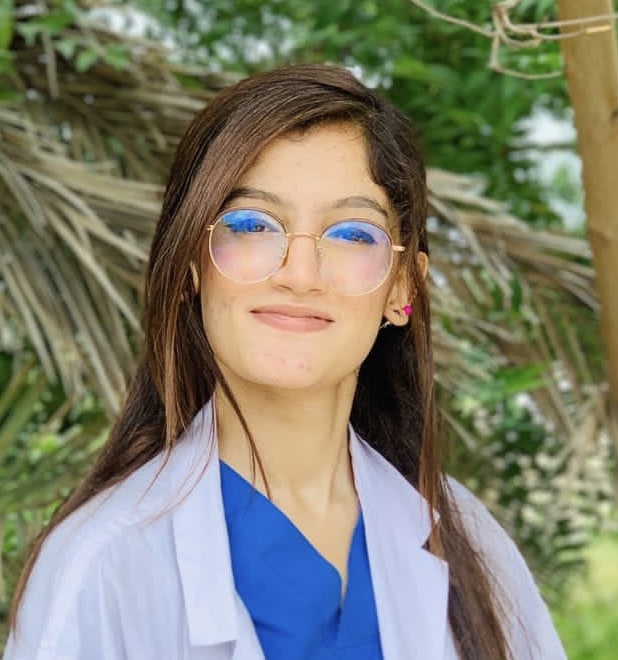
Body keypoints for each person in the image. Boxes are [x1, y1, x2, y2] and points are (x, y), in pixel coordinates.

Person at [4, 63, 566, 660]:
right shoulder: (103, 566)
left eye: (352, 234)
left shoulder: (472, 548)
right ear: (193, 262)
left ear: (403, 285)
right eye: (251, 225)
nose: (299, 274)